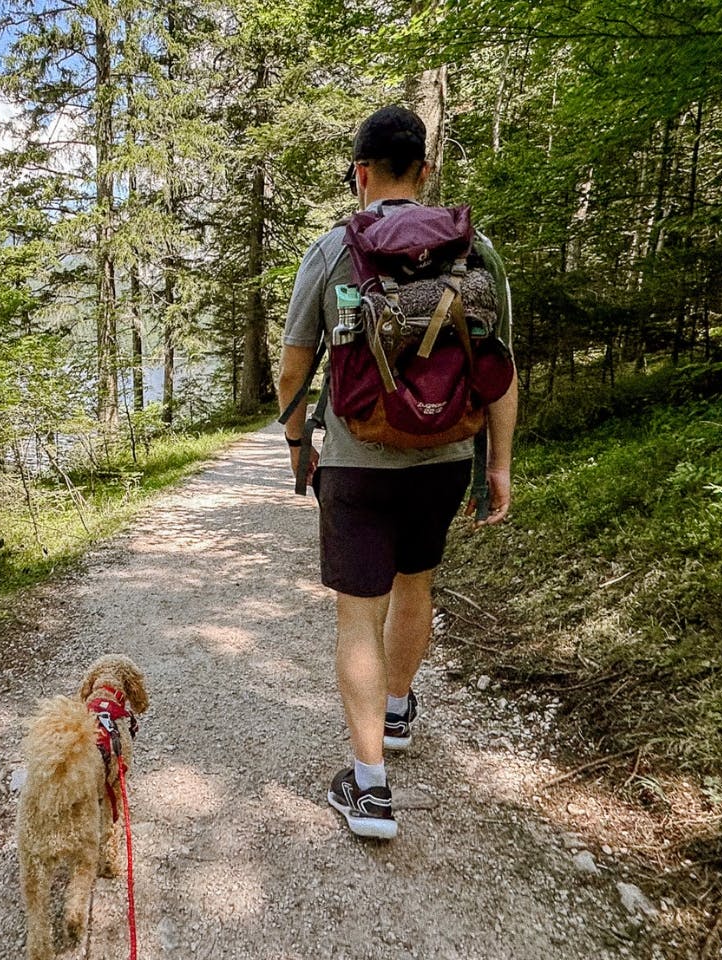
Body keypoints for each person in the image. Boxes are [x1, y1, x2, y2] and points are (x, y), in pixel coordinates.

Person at [277, 105, 517, 839]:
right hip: (444, 459)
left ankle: (370, 788)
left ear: (360, 173)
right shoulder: (476, 251)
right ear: (426, 171)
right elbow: (502, 371)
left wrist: (299, 446)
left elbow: (293, 366)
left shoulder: (332, 249)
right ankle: (398, 710)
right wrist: (498, 466)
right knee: (416, 586)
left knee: (359, 613)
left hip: (359, 460)